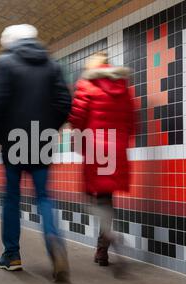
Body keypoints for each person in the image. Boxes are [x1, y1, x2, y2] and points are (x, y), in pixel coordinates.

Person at [0, 24, 72, 282]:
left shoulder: (4, 63)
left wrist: (1, 138)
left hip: (13, 141)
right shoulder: (52, 65)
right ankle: (54, 242)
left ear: (10, 41)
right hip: (42, 140)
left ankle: (11, 255)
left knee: (12, 199)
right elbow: (64, 102)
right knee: (44, 197)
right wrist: (49, 130)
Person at [68, 52, 135, 270]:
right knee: (106, 197)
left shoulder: (87, 84)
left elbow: (77, 118)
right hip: (117, 147)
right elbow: (133, 120)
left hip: (95, 146)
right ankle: (102, 249)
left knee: (89, 194)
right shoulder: (123, 87)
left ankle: (107, 233)